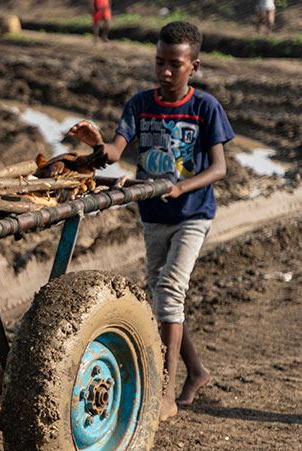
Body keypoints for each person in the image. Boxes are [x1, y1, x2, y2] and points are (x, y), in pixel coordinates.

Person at [67, 21, 232, 422]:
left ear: (193, 66)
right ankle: (196, 371)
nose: (165, 71)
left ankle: (166, 393)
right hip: (153, 214)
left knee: (170, 292)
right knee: (163, 296)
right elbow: (114, 151)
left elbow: (219, 168)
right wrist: (96, 145)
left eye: (175, 64)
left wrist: (182, 187)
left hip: (191, 213)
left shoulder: (204, 107)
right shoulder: (140, 104)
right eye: (159, 62)